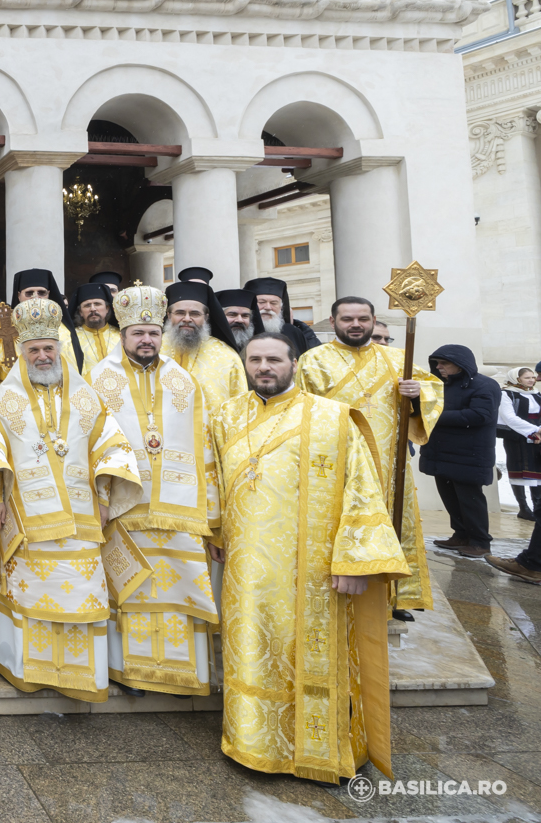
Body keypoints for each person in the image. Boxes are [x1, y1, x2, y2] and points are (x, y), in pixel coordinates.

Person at [210, 331, 408, 782]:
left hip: (313, 569)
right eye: (255, 360)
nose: (263, 367)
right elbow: (212, 479)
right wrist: (214, 528)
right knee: (250, 648)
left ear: (294, 363)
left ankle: (317, 751)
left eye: (273, 360)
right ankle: (250, 742)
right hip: (245, 568)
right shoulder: (225, 415)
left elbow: (363, 490)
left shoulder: (333, 418)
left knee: (308, 654)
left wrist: (354, 562)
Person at [0, 299, 141, 701]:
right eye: (34, 350)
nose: (42, 356)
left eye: (48, 349)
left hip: (80, 514)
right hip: (24, 513)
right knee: (29, 591)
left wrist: (102, 495)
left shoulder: (87, 398)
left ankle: (79, 675)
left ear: (58, 350)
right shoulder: (3, 401)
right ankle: (28, 668)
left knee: (79, 590)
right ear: (23, 354)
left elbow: (108, 445)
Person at [88, 284, 218, 697]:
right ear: (122, 335)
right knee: (128, 589)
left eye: (152, 333)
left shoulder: (184, 381)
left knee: (178, 588)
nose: (146, 340)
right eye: (137, 333)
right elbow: (90, 446)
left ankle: (178, 674)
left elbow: (204, 447)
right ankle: (128, 673)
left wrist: (212, 517)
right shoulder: (98, 379)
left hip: (178, 508)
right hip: (126, 505)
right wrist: (101, 500)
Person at [296, 297, 443, 614]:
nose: (355, 324)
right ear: (333, 322)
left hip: (388, 465)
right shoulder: (313, 361)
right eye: (347, 319)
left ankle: (392, 594)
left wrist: (418, 395)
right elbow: (300, 412)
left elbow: (432, 389)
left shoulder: (397, 359)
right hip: (335, 464)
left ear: (373, 321)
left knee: (392, 521)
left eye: (363, 318)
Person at [420, 345, 500, 559]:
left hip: (469, 454)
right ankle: (461, 534)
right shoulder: (439, 385)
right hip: (441, 452)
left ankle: (480, 541)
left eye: (444, 363)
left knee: (469, 499)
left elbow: (479, 415)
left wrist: (434, 416)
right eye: (436, 364)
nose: (439, 367)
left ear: (460, 363)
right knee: (450, 497)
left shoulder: (485, 385)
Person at [162, 281, 247, 416]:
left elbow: (239, 411)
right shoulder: (153, 348)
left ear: (206, 317)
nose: (187, 319)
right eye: (180, 313)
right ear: (169, 315)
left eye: (195, 314)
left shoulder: (227, 357)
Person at [498, 368, 541, 520]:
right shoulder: (507, 394)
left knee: (538, 470)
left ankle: (538, 507)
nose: (531, 380)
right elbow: (509, 417)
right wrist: (535, 430)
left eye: (533, 377)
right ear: (517, 379)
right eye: (527, 377)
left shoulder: (536, 394)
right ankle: (523, 508)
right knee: (519, 469)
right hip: (517, 437)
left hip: (538, 437)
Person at [245, 277, 320, 353]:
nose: (268, 307)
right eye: (261, 302)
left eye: (273, 303)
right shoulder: (241, 332)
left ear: (281, 307)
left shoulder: (292, 332)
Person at [69, 281, 119, 372]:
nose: (93, 309)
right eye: (87, 305)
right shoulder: (70, 338)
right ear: (80, 312)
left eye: (97, 304)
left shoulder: (121, 335)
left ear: (107, 309)